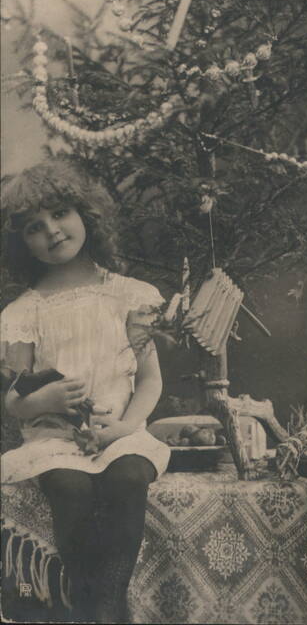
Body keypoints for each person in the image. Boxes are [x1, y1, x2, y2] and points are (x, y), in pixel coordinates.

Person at [1, 157, 171, 624]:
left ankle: (109, 603)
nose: (52, 230)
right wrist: (45, 401)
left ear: (85, 216)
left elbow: (151, 379)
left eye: (60, 214)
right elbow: (13, 400)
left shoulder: (130, 296)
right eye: (35, 227)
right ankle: (88, 601)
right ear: (22, 244)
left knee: (130, 476)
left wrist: (124, 428)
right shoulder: (24, 313)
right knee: (70, 488)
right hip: (55, 439)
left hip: (120, 430)